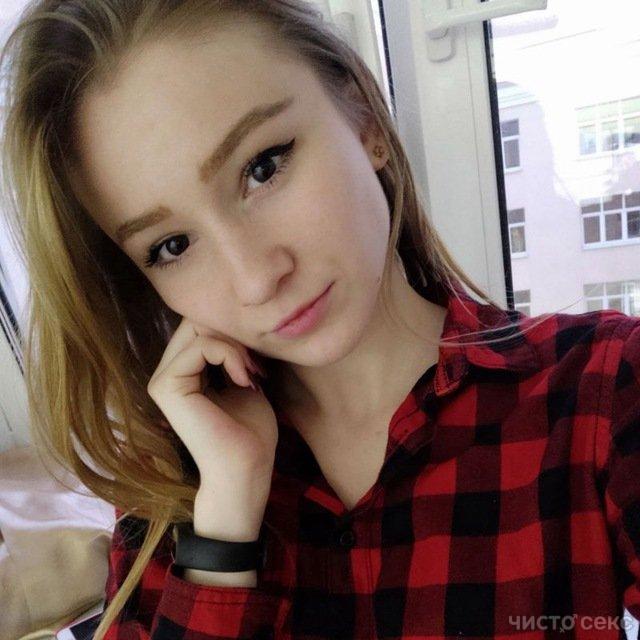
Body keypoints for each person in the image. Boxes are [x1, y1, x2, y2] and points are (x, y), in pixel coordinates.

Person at [0, 1, 638, 639]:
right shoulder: (171, 483)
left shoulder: (604, 392)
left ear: (365, 121)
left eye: (262, 168)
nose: (255, 278)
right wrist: (223, 527)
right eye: (172, 246)